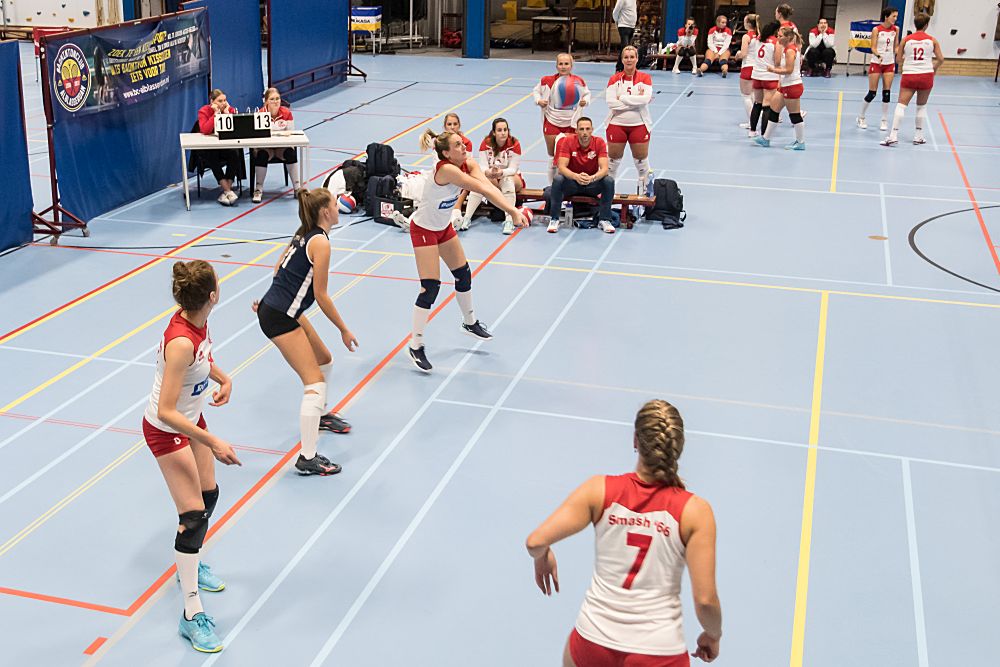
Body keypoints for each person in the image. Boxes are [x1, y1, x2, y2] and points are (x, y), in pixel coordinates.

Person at [526, 399, 723, 667]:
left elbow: (535, 542)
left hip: (593, 642)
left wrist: (543, 557)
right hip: (657, 652)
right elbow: (706, 602)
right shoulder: (695, 512)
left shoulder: (599, 490)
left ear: (635, 441)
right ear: (678, 447)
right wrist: (712, 635)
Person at [143, 260, 241, 653]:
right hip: (167, 430)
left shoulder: (197, 320)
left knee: (209, 494)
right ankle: (191, 613)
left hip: (191, 417)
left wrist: (225, 378)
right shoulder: (181, 341)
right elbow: (166, 410)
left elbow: (203, 360)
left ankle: (190, 560)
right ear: (213, 295)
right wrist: (213, 441)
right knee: (194, 517)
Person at [399, 129, 527, 373]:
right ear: (446, 153)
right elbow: (482, 188)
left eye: (462, 143)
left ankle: (469, 323)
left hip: (443, 227)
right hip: (424, 229)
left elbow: (487, 186)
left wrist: (511, 208)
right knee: (430, 287)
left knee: (463, 274)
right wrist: (512, 211)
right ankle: (415, 344)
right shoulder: (447, 170)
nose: (464, 147)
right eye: (458, 145)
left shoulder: (467, 163)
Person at [254, 189, 358, 476]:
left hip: (282, 309)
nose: (338, 207)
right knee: (315, 383)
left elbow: (278, 269)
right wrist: (343, 329)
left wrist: (271, 299)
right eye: (335, 204)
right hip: (280, 316)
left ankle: (320, 415)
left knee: (325, 360)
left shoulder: (304, 233)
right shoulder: (321, 243)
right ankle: (308, 457)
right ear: (325, 212)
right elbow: (321, 295)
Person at [881, 13, 943, 147]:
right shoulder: (932, 40)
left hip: (910, 75)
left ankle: (893, 135)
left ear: (915, 24)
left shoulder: (906, 40)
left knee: (901, 105)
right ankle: (918, 136)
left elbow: (898, 59)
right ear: (926, 25)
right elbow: (941, 59)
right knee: (921, 106)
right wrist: (933, 67)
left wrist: (909, 61)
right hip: (926, 74)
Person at [548, 117, 617, 235]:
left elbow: (605, 169)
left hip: (591, 184)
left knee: (608, 181)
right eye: (581, 129)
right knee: (558, 179)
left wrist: (592, 178)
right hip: (573, 184)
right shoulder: (568, 141)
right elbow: (561, 167)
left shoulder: (599, 142)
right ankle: (554, 219)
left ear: (592, 130)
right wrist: (576, 176)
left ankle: (604, 219)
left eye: (587, 129)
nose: (585, 132)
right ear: (576, 131)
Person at [533, 53, 592, 184]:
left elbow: (587, 94)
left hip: (571, 123)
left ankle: (570, 186)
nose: (563, 67)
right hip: (552, 122)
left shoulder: (578, 81)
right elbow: (536, 91)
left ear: (571, 66)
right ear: (556, 66)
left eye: (566, 64)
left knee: (570, 157)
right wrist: (538, 100)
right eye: (561, 64)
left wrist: (585, 101)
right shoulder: (547, 80)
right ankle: (552, 187)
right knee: (553, 157)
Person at [461, 118, 525, 235]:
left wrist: (501, 172)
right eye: (499, 130)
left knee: (507, 181)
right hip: (492, 177)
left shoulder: (514, 144)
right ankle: (467, 218)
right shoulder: (486, 143)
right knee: (479, 183)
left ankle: (509, 220)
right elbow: (482, 167)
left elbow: (513, 169)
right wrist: (489, 172)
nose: (503, 133)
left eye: (505, 130)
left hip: (512, 177)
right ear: (494, 132)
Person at [606, 45, 654, 196]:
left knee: (641, 163)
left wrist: (623, 98)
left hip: (639, 125)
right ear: (622, 60)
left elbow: (645, 99)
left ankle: (643, 197)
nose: (629, 60)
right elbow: (611, 103)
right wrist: (635, 102)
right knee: (612, 163)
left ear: (637, 59)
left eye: (632, 57)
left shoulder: (645, 78)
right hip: (616, 124)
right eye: (626, 57)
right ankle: (608, 195)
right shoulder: (614, 79)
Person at [755, 27, 806, 150]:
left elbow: (789, 70)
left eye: (780, 36)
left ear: (788, 38)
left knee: (794, 115)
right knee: (773, 109)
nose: (778, 38)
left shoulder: (790, 51)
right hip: (785, 86)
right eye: (777, 35)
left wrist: (773, 70)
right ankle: (766, 138)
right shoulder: (786, 49)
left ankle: (800, 142)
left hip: (792, 86)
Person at [251, 87, 302, 203]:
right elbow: (256, 136)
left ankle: (297, 188)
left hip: (281, 148)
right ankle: (258, 189)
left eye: (277, 99)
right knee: (261, 155)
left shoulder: (286, 113)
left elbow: (291, 133)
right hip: (266, 148)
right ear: (266, 101)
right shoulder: (260, 114)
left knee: (290, 153)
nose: (275, 102)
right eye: (272, 99)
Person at [196, 89, 242, 206]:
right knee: (212, 155)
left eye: (225, 100)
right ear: (212, 102)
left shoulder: (230, 110)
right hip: (210, 148)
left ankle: (226, 191)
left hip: (225, 147)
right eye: (220, 101)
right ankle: (228, 190)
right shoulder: (204, 111)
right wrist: (215, 114)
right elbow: (205, 130)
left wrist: (227, 114)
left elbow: (236, 129)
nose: (223, 103)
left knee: (235, 153)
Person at [857, 7, 899, 131]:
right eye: (893, 16)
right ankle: (861, 116)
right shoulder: (877, 29)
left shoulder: (896, 29)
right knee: (872, 93)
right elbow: (873, 47)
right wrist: (879, 55)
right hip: (877, 63)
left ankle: (884, 120)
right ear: (886, 17)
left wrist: (901, 53)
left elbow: (896, 47)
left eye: (896, 16)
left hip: (889, 63)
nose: (895, 19)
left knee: (886, 92)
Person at [438, 113, 475, 230]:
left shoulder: (466, 143)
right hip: (443, 177)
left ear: (459, 125)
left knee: (464, 185)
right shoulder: (439, 143)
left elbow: (467, 165)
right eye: (449, 124)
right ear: (445, 126)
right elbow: (436, 165)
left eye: (455, 124)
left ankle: (456, 215)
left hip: (460, 178)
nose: (452, 127)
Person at [748, 21, 782, 139]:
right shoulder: (776, 42)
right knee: (767, 105)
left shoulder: (758, 39)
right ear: (776, 31)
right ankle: (764, 135)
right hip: (769, 76)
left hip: (757, 74)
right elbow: (777, 61)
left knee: (757, 103)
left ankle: (752, 130)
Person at [736, 14, 760, 129]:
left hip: (747, 67)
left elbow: (744, 54)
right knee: (753, 96)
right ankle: (755, 121)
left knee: (746, 96)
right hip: (757, 67)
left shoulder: (746, 36)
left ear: (748, 23)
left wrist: (738, 54)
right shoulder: (759, 35)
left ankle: (752, 122)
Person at [612, 0, 638, 72]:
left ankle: (623, 67)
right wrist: (616, 21)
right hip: (623, 25)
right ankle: (619, 68)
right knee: (625, 48)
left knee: (627, 49)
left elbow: (633, 10)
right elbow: (616, 11)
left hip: (631, 26)